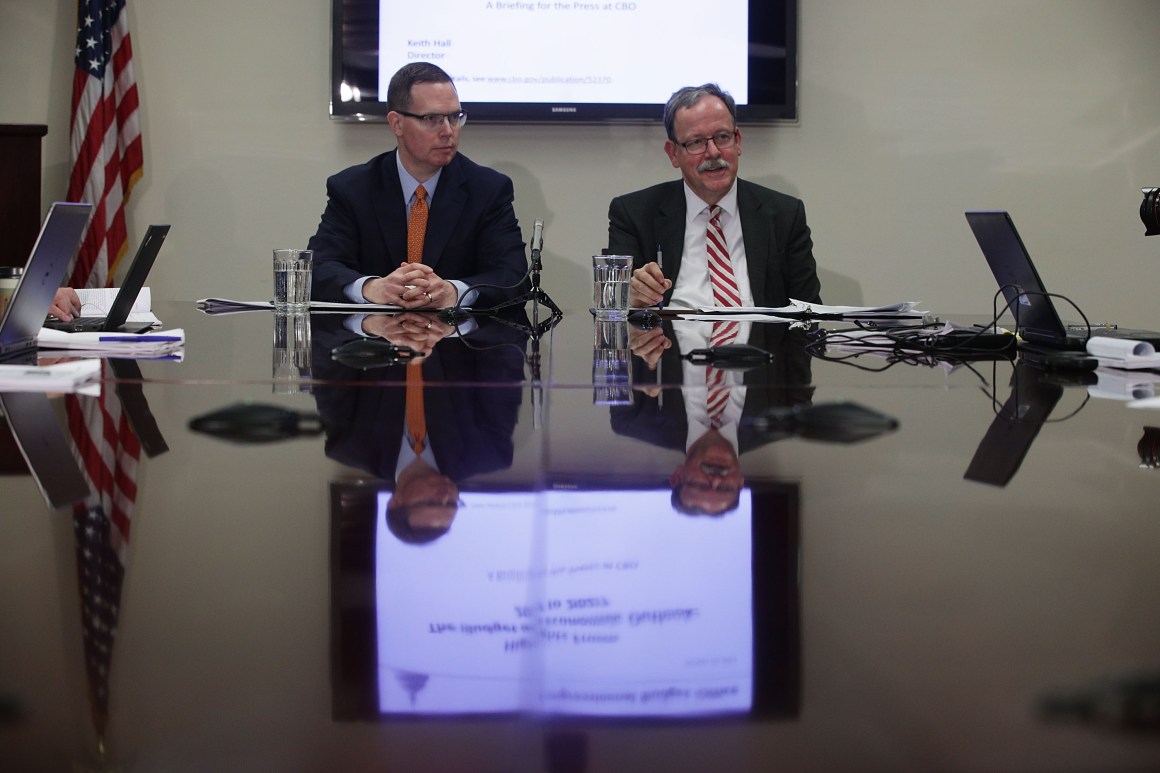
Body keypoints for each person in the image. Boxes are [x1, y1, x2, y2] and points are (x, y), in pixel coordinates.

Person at [308, 62, 528, 310]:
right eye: (431, 119)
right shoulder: (353, 188)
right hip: (372, 342)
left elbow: (514, 277)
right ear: (396, 124)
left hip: (460, 341)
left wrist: (454, 292)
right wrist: (372, 288)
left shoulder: (488, 190)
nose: (448, 131)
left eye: (455, 117)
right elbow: (319, 268)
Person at [607, 84, 822, 309]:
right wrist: (630, 296)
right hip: (667, 341)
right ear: (673, 154)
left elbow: (809, 313)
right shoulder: (634, 214)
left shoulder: (785, 215)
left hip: (758, 343)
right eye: (696, 142)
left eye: (722, 137)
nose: (713, 152)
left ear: (738, 140)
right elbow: (611, 302)